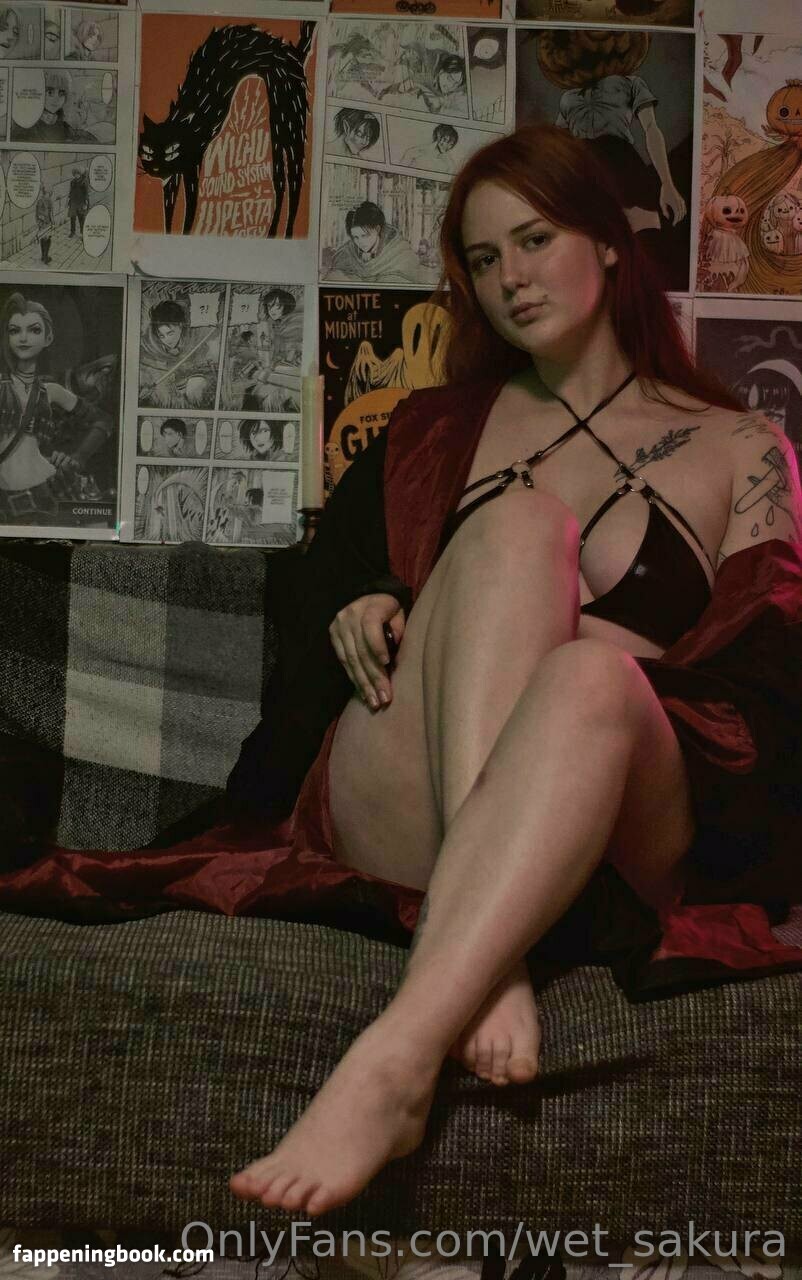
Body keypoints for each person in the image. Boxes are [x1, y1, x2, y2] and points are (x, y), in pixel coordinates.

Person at [227, 124, 802, 1215]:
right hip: (409, 795)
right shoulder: (428, 430)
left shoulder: (742, 448)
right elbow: (313, 631)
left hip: (610, 812)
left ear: (611, 244)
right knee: (516, 525)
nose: (509, 279)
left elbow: (769, 674)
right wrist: (367, 598)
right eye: (484, 260)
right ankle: (484, 964)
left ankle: (401, 1047)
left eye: (534, 240)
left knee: (588, 679)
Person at [0, 292, 111, 522]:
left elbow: (103, 420)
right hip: (7, 500)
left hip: (51, 486)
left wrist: (77, 456)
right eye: (15, 330)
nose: (23, 338)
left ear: (48, 337)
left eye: (34, 330)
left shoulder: (51, 390)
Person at [327, 201, 427, 286]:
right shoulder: (346, 252)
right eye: (356, 237)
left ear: (377, 229)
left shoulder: (400, 254)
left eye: (365, 236)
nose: (360, 242)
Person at [35, 185, 54, 265]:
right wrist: (51, 223)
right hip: (46, 223)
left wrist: (39, 222)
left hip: (43, 223)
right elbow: (49, 214)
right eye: (50, 192)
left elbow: (38, 214)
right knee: (47, 240)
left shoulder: (42, 200)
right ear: (47, 192)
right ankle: (45, 257)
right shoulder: (46, 201)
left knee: (44, 239)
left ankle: (43, 256)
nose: (50, 193)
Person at [68, 168, 89, 239]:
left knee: (81, 218)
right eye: (75, 174)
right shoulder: (72, 182)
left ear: (80, 174)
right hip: (73, 202)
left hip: (81, 203)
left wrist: (85, 203)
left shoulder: (84, 182)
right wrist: (69, 200)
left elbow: (86, 193)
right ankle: (72, 232)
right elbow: (70, 192)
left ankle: (82, 233)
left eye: (77, 173)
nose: (76, 175)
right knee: (72, 218)